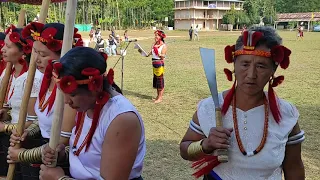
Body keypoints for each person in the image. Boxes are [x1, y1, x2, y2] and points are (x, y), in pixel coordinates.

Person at [179, 27, 305, 180]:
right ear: (234, 65)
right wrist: (205, 145)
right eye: (245, 64)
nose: (251, 75)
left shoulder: (286, 114)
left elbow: (293, 167)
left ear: (273, 70)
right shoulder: (209, 107)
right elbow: (185, 150)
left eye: (261, 66)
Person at [39, 47, 146, 180]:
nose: (66, 101)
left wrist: (60, 179)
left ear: (95, 87)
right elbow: (89, 159)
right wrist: (63, 155)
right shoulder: (86, 105)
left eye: (72, 94)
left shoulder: (122, 119)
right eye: (63, 93)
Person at [7, 22, 83, 180]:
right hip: (42, 154)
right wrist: (27, 133)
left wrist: (22, 155)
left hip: (60, 162)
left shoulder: (70, 89)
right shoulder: (45, 79)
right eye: (35, 53)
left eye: (43, 55)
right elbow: (41, 121)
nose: (36, 60)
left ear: (64, 56)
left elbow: (62, 142)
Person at [0, 24, 42, 177]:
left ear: (23, 51)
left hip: (25, 140)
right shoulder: (7, 72)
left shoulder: (33, 79)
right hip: (9, 137)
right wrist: (6, 113)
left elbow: (34, 121)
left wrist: (5, 127)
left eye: (8, 46)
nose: (3, 49)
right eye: (4, 45)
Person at [143, 30, 167, 103]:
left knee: (160, 81)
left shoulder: (163, 46)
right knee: (156, 80)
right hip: (154, 63)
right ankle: (157, 96)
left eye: (157, 35)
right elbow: (151, 52)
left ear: (161, 37)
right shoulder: (154, 44)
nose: (155, 37)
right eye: (155, 35)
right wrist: (146, 54)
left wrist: (158, 53)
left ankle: (160, 98)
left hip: (159, 63)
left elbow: (163, 56)